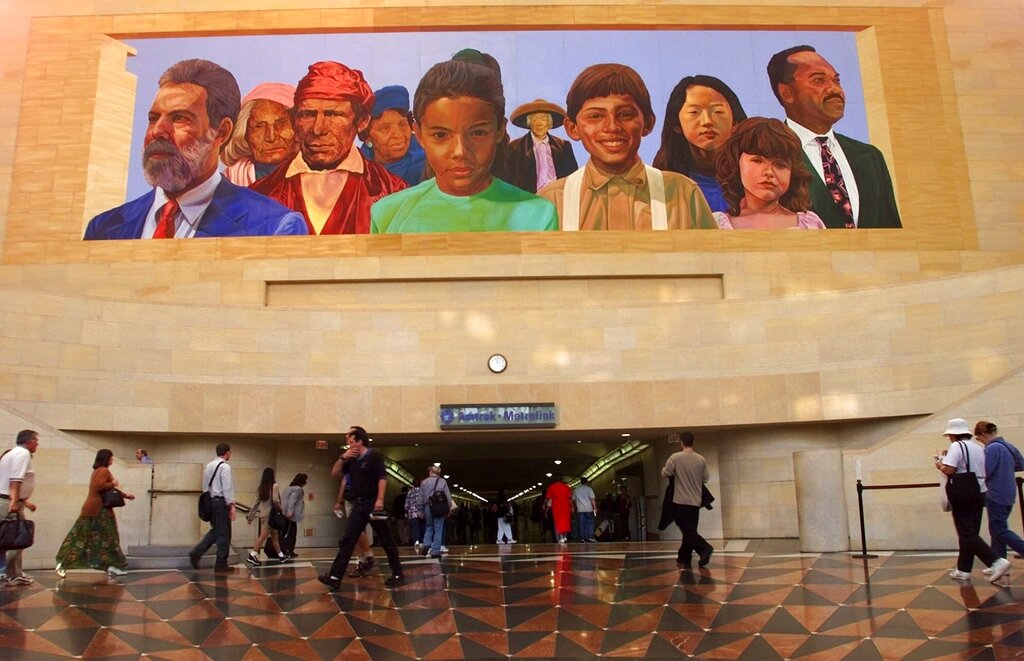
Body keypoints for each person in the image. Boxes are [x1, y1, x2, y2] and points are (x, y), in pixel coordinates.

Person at [84, 59, 308, 240]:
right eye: (153, 119)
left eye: (179, 118)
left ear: (221, 132)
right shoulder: (105, 229)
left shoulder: (273, 227)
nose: (158, 131)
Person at [370, 55, 557, 234]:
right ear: (418, 134)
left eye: (477, 133)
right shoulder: (387, 214)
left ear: (500, 130)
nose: (460, 151)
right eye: (441, 135)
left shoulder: (538, 215)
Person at [538, 63, 716, 231]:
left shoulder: (682, 193)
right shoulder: (552, 200)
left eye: (625, 114)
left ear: (648, 123)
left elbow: (714, 261)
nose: (612, 127)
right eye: (595, 116)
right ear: (573, 128)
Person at [252, 62, 408, 234]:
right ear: (295, 120)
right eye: (308, 114)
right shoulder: (258, 196)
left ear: (362, 121)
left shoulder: (395, 193)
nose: (318, 129)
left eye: (333, 114)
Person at [767, 45, 901, 228]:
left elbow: (891, 231)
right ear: (787, 93)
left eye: (836, 81)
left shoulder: (869, 156)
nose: (834, 89)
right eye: (819, 80)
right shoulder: (767, 154)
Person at [319, 426, 404, 590]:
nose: (349, 445)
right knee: (348, 539)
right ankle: (335, 576)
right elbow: (335, 473)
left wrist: (380, 499)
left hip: (374, 503)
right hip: (359, 504)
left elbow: (382, 478)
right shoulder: (350, 459)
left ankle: (398, 573)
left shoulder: (374, 456)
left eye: (351, 442)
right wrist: (343, 457)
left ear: (360, 441)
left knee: (387, 540)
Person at [653, 75, 748, 212]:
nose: (707, 121)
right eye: (694, 112)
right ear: (676, 125)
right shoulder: (662, 184)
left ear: (735, 122)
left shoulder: (755, 180)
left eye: (718, 111)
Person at [712, 117, 826, 229]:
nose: (769, 172)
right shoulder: (716, 225)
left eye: (780, 165)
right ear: (736, 163)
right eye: (758, 161)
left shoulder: (809, 224)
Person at [936, 418, 1010, 583]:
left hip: (963, 492)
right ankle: (964, 568)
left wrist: (940, 465)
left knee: (965, 531)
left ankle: (996, 561)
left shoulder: (956, 446)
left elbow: (950, 469)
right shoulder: (977, 447)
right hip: (979, 490)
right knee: (970, 531)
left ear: (953, 435)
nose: (949, 438)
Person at [55, 449, 136, 578]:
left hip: (95, 510)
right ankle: (65, 562)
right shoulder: (103, 471)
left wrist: (124, 495)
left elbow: (106, 489)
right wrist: (113, 483)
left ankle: (111, 566)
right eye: (111, 457)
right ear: (106, 458)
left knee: (94, 538)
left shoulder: (98, 471)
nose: (112, 460)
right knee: (106, 538)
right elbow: (100, 486)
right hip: (98, 511)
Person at [222, 82, 297, 186]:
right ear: (244, 135)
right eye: (259, 126)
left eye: (281, 123)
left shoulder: (320, 178)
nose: (271, 137)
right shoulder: (230, 182)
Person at [661, 431, 714, 568]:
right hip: (695, 501)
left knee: (687, 530)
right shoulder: (701, 459)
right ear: (694, 442)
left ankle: (705, 548)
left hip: (680, 501)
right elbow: (705, 478)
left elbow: (665, 473)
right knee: (689, 530)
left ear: (681, 443)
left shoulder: (675, 458)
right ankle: (684, 556)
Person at [974, 421, 1024, 565]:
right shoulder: (1008, 446)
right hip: (1009, 492)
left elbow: (985, 471)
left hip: (996, 493)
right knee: (996, 531)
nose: (981, 442)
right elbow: (1021, 464)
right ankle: (998, 563)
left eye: (979, 439)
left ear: (983, 434)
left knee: (999, 529)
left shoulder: (992, 449)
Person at [504, 98, 579, 193]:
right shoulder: (515, 147)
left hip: (558, 198)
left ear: (549, 123)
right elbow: (509, 182)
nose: (539, 124)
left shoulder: (563, 146)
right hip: (530, 200)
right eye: (535, 120)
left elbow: (573, 178)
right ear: (529, 123)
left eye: (543, 119)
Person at [359, 85, 427, 186]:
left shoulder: (428, 166)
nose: (398, 135)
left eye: (402, 124)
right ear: (367, 138)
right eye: (385, 128)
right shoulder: (357, 171)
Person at [188, 443, 236, 573]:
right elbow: (227, 487)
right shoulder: (225, 467)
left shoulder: (209, 466)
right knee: (224, 533)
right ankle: (220, 563)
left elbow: (205, 486)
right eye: (230, 452)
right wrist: (231, 504)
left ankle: (197, 553)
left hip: (211, 501)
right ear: (227, 452)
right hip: (221, 502)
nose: (230, 454)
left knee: (216, 531)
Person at [0, 430, 40, 586]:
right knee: (15, 537)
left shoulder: (10, 454)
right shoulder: (22, 454)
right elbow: (15, 479)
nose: (37, 444)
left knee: (8, 537)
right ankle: (12, 573)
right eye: (36, 441)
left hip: (8, 499)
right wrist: (14, 502)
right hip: (9, 502)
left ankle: (11, 572)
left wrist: (23, 501)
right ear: (29, 441)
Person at [331, 440, 376, 578]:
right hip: (352, 499)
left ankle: (367, 556)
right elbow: (338, 476)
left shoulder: (368, 461)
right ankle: (362, 561)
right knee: (355, 533)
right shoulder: (349, 461)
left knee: (357, 531)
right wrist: (339, 501)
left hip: (362, 500)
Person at [245, 467, 287, 566]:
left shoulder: (261, 488)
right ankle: (253, 555)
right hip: (271, 516)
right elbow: (276, 500)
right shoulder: (274, 486)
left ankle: (281, 555)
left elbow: (256, 503)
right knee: (262, 536)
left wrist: (250, 516)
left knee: (274, 536)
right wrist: (281, 508)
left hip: (263, 515)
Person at [419, 465, 453, 558]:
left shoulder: (424, 482)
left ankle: (426, 544)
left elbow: (420, 497)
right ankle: (435, 551)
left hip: (427, 506)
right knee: (438, 528)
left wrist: (420, 510)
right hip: (439, 507)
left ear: (430, 472)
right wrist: (448, 508)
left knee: (429, 526)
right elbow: (448, 497)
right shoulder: (442, 481)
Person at [280, 473, 306, 558]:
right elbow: (292, 500)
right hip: (291, 515)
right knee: (291, 533)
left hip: (284, 513)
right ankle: (288, 550)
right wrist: (290, 511)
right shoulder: (298, 489)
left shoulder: (288, 488)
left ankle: (285, 550)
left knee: (284, 532)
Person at [544, 475, 572, 543]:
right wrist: (572, 507)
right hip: (566, 506)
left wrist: (545, 506)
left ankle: (560, 537)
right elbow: (569, 498)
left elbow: (548, 497)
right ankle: (565, 536)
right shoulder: (566, 486)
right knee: (566, 521)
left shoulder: (551, 487)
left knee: (557, 522)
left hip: (556, 507)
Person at [573, 477, 598, 543]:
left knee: (582, 524)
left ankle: (583, 538)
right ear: (587, 482)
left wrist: (576, 506)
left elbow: (574, 499)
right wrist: (595, 507)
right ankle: (590, 537)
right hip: (589, 509)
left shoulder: (576, 490)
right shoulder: (589, 489)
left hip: (580, 509)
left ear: (580, 482)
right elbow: (592, 499)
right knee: (590, 523)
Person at [405, 478, 425, 549]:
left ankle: (416, 542)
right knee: (422, 527)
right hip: (421, 512)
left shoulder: (410, 492)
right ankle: (422, 542)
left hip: (412, 513)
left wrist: (407, 511)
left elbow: (407, 504)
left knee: (415, 528)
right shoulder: (422, 491)